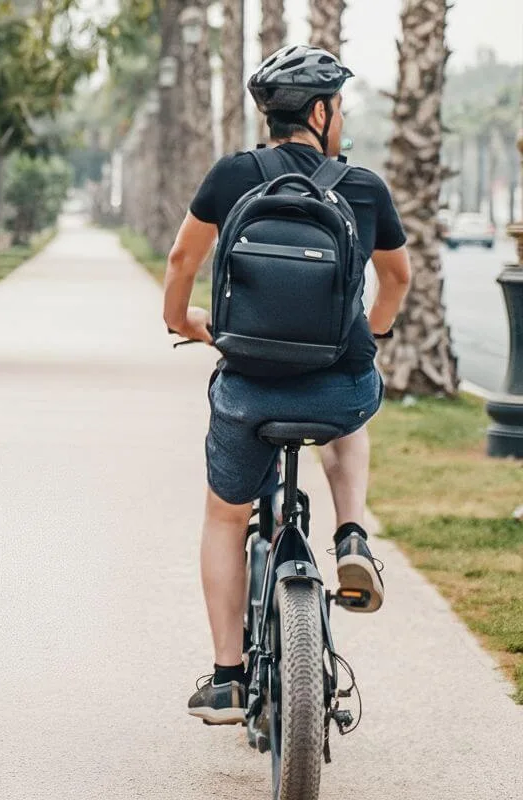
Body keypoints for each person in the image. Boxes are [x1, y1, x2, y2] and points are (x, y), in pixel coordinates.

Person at [162, 45, 413, 725]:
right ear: (323, 111)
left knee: (226, 514)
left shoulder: (234, 174)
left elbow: (184, 257)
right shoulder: (362, 185)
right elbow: (397, 279)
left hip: (249, 391)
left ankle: (226, 680)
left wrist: (181, 319)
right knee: (354, 399)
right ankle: (352, 534)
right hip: (337, 387)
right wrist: (371, 335)